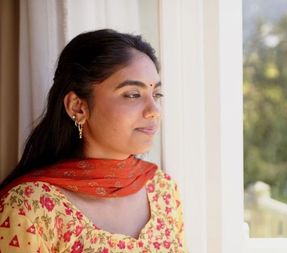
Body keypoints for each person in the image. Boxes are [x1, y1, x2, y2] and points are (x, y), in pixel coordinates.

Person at [0, 29, 187, 252]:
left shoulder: (162, 190)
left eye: (156, 95)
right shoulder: (30, 207)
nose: (154, 110)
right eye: (133, 94)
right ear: (78, 107)